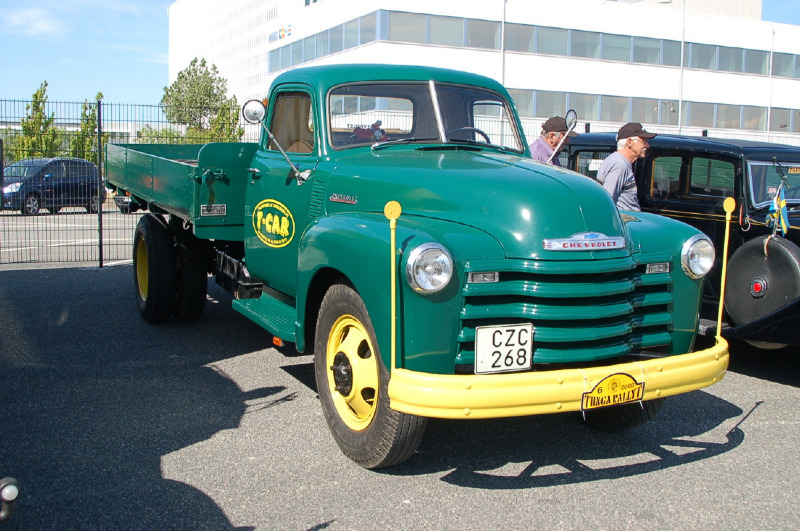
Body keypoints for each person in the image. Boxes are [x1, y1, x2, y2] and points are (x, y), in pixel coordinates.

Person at [596, 122, 656, 211]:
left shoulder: (617, 161)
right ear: (629, 143)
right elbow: (606, 201)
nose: (647, 145)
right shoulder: (620, 165)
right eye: (643, 141)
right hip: (626, 221)